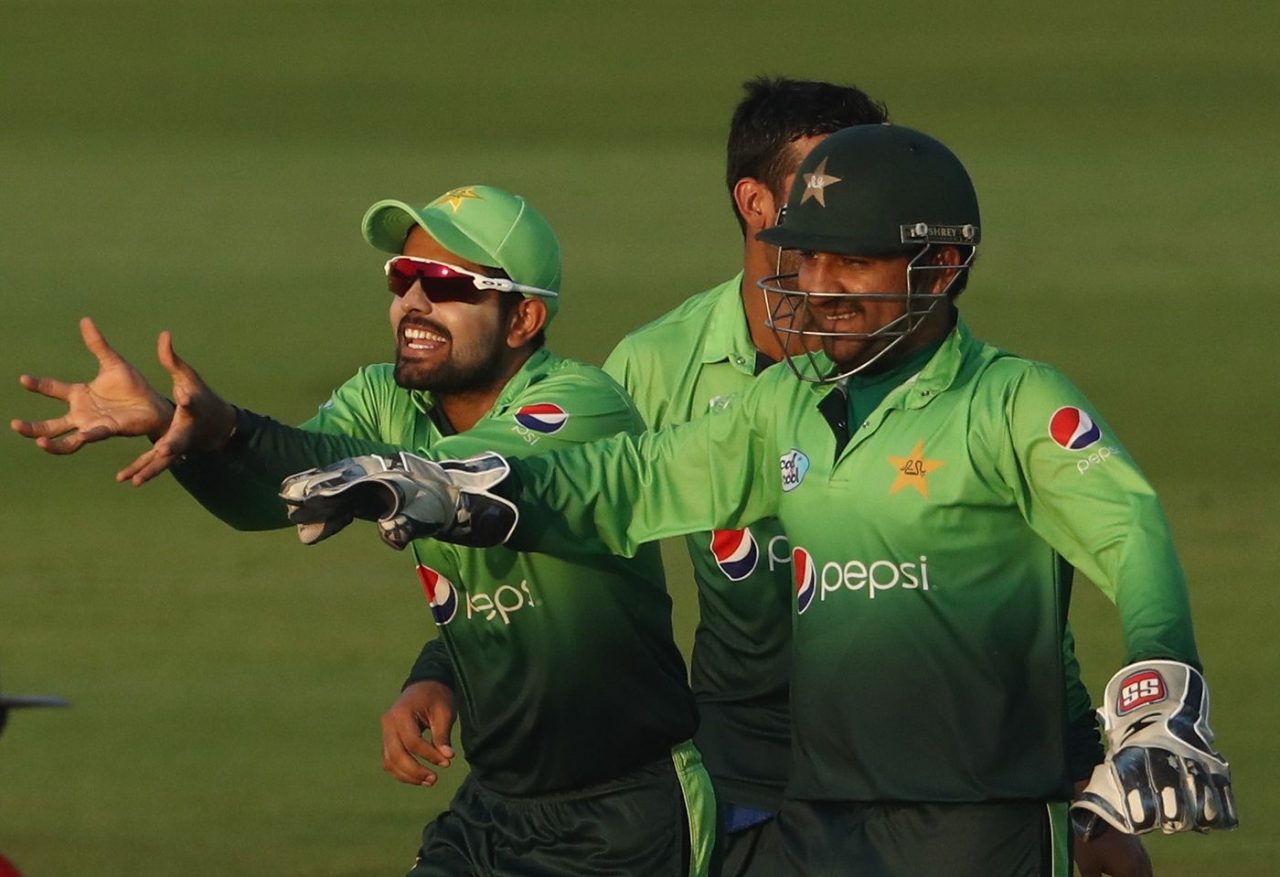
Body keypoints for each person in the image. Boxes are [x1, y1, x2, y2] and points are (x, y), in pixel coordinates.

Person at [286, 126, 1237, 876]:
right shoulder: (782, 407)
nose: (813, 288)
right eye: (805, 258)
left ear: (938, 269)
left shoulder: (1016, 403)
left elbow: (1130, 533)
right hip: (811, 828)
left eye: (848, 264)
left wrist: (1163, 693)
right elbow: (632, 479)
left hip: (974, 833)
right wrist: (460, 487)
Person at [11, 185, 714, 876]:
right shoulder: (384, 398)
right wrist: (178, 427)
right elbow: (281, 495)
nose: (412, 302)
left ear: (524, 316)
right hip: (494, 808)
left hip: (622, 814)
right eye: (402, 277)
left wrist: (228, 427)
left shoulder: (581, 407)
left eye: (443, 281)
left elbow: (445, 479)